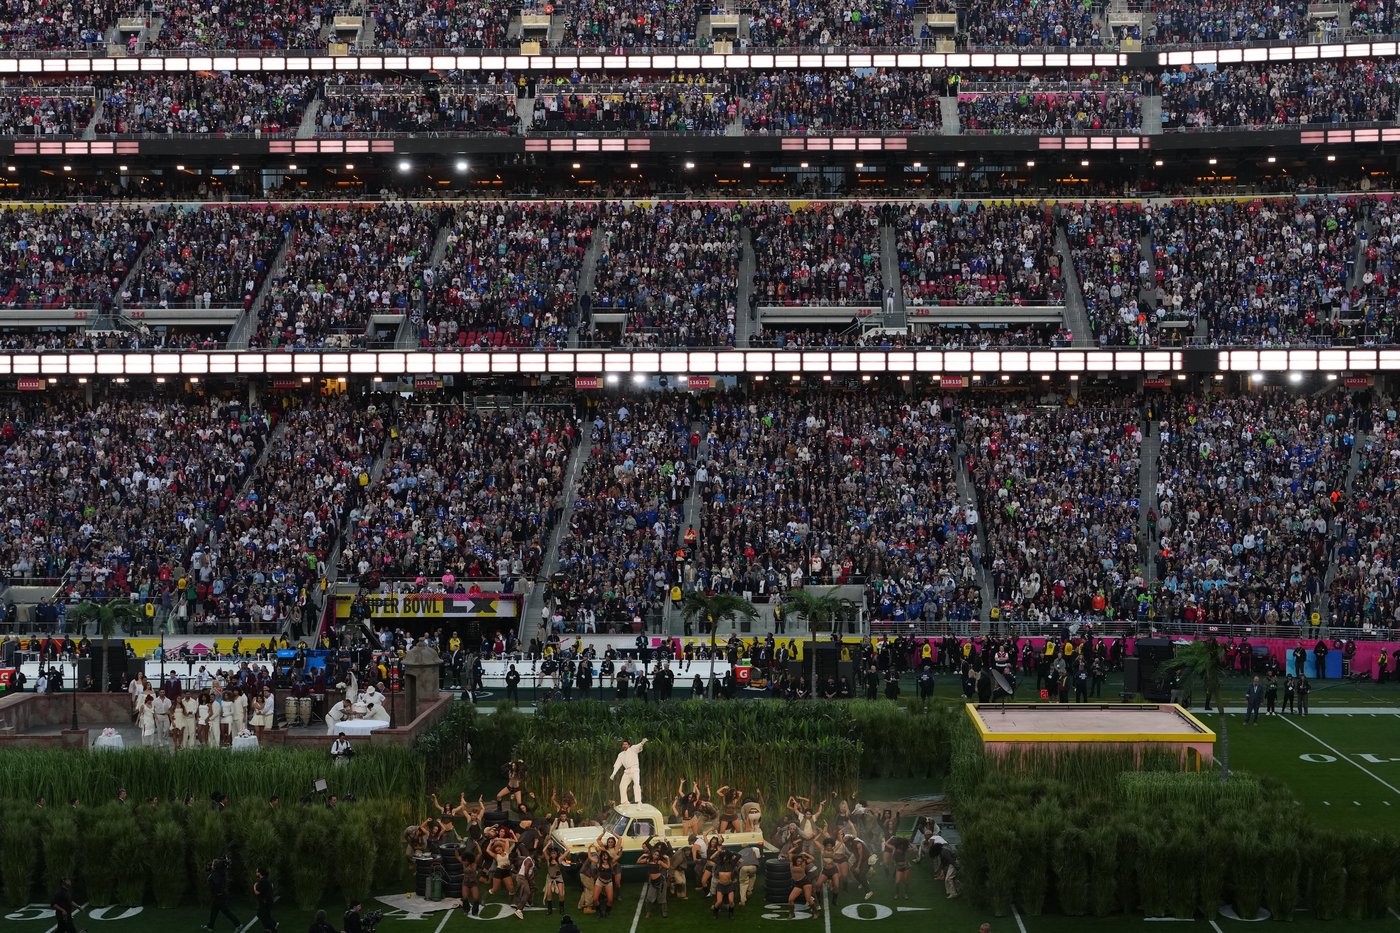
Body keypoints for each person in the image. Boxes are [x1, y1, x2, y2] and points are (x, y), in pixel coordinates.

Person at [203, 857, 241, 931]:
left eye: (213, 864)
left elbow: (217, 884)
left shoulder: (216, 874)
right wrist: (225, 861)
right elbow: (209, 868)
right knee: (214, 911)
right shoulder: (218, 871)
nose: (211, 865)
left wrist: (218, 892)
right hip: (217, 896)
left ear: (215, 866)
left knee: (225, 911)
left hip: (219, 896)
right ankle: (210, 926)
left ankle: (238, 924)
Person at [610, 737, 648, 804]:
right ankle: (624, 802)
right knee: (622, 786)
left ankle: (639, 801)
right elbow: (617, 764)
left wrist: (642, 743)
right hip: (627, 772)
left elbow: (638, 746)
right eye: (623, 744)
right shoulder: (621, 754)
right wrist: (613, 773)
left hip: (634, 770)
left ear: (629, 745)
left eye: (626, 744)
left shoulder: (633, 749)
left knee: (636, 784)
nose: (624, 746)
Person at [254, 867, 278, 932]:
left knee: (264, 917)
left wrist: (254, 886)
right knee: (261, 915)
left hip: (265, 902)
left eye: (257, 872)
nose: (256, 873)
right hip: (267, 901)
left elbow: (257, 892)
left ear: (260, 873)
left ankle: (272, 930)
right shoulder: (266, 880)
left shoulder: (262, 881)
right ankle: (271, 925)